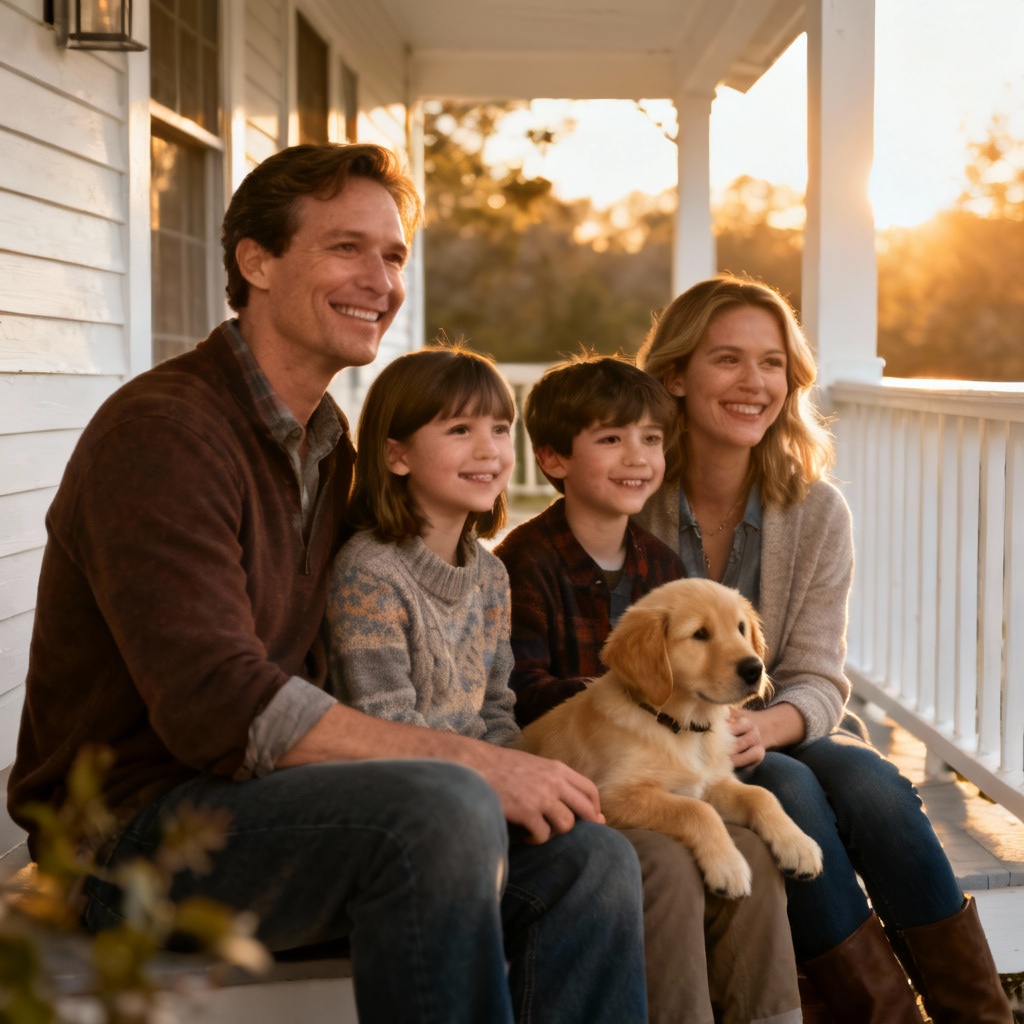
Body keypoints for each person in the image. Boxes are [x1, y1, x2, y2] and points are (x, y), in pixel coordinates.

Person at [7, 143, 648, 1024]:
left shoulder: (324, 444)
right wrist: (470, 759)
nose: (380, 281)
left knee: (588, 857)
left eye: (392, 256)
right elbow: (217, 705)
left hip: (263, 807)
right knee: (441, 808)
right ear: (256, 261)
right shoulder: (164, 434)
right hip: (130, 840)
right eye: (348, 248)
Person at [634, 273, 1012, 1024]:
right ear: (675, 376)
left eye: (773, 363)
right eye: (728, 360)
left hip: (773, 725)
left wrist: (763, 727)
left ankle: (980, 1014)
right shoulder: (630, 493)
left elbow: (816, 675)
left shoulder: (814, 510)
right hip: (672, 744)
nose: (755, 382)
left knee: (873, 785)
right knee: (794, 794)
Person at [495, 354, 804, 1024]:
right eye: (611, 439)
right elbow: (521, 692)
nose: (637, 456)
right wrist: (632, 690)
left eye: (652, 439)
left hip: (672, 755)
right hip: (570, 790)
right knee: (670, 858)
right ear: (553, 459)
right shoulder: (524, 562)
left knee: (755, 849)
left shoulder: (660, 564)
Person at [326, 345, 520, 745]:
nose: (489, 450)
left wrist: (528, 773)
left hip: (483, 775)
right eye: (460, 430)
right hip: (412, 787)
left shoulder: (491, 577)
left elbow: (496, 712)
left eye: (500, 429)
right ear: (397, 456)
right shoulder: (370, 575)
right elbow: (388, 726)